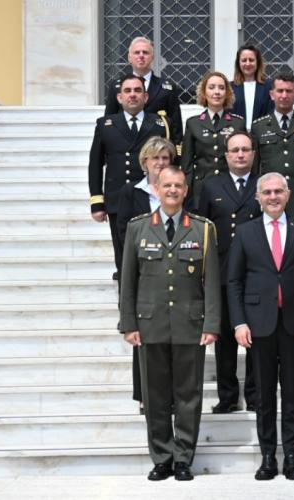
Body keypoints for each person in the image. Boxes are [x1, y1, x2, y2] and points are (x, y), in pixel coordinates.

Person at [119, 165, 221, 482]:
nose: (173, 190)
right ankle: (162, 457)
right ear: (157, 189)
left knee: (189, 395)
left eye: (178, 185)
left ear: (186, 190)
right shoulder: (138, 228)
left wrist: (212, 324)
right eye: (167, 185)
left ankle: (183, 458)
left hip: (190, 324)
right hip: (151, 324)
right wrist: (128, 323)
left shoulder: (203, 229)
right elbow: (128, 281)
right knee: (155, 396)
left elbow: (212, 282)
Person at [227, 172, 294, 481]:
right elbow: (234, 281)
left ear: (288, 194)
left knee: (292, 394)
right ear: (258, 197)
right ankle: (268, 456)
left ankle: (291, 457)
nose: (273, 197)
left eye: (278, 191)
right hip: (258, 325)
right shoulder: (245, 232)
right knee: (264, 394)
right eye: (267, 192)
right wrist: (239, 322)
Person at [196, 131, 261, 414]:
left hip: (256, 273)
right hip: (222, 273)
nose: (240, 154)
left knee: (256, 337)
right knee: (224, 340)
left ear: (253, 154)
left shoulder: (264, 184)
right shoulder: (211, 186)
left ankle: (255, 395)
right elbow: (202, 229)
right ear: (226, 155)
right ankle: (228, 396)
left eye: (245, 149)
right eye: (235, 150)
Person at [115, 135, 176, 413]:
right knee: (144, 337)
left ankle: (172, 393)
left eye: (165, 158)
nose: (160, 163)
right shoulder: (131, 192)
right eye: (155, 158)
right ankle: (144, 395)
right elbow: (122, 233)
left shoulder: (177, 188)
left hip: (175, 271)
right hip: (144, 273)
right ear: (145, 162)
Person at [89, 74, 170, 278]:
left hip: (152, 196)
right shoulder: (105, 124)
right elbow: (95, 164)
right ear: (119, 98)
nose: (132, 95)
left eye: (137, 90)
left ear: (145, 96)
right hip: (118, 198)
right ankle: (124, 295)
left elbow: (169, 162)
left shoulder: (160, 124)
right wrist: (97, 202)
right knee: (123, 254)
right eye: (127, 91)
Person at [251, 72, 294, 215]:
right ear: (272, 94)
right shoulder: (259, 127)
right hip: (270, 196)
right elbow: (254, 167)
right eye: (280, 91)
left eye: (289, 91)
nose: (284, 95)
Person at [181, 71, 245, 210]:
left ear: (227, 93)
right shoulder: (193, 123)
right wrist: (187, 192)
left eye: (221, 88)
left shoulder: (238, 123)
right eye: (211, 87)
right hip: (201, 189)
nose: (217, 92)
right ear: (204, 92)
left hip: (230, 187)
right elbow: (187, 164)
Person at [104, 36, 183, 145]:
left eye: (145, 52)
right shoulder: (117, 86)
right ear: (129, 57)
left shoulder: (167, 88)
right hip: (125, 148)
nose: (141, 56)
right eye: (137, 52)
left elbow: (176, 126)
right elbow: (108, 121)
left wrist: (175, 152)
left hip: (156, 150)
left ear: (152, 57)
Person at [231, 44, 274, 130]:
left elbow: (272, 113)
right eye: (244, 60)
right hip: (236, 134)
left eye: (251, 60)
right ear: (238, 63)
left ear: (258, 62)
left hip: (263, 133)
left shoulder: (269, 86)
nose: (247, 63)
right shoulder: (230, 87)